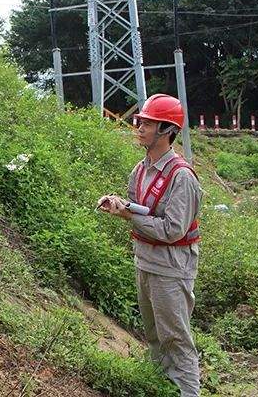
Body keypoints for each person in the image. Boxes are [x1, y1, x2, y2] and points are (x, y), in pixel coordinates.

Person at [97, 94, 202, 397]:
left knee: (176, 339)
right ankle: (160, 386)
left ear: (167, 130)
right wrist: (119, 206)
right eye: (140, 121)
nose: (139, 126)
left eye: (147, 122)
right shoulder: (139, 170)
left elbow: (172, 229)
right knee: (154, 335)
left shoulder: (182, 177)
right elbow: (138, 211)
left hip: (171, 268)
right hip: (144, 262)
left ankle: (188, 392)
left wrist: (129, 215)